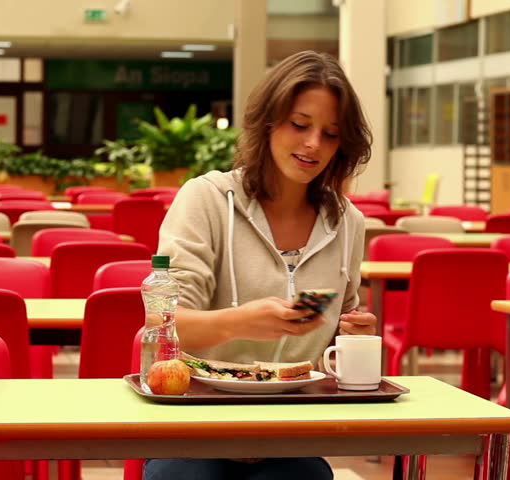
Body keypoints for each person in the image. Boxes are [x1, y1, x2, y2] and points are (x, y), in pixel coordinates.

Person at [146, 50, 378, 480]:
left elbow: (338, 339)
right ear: (268, 122)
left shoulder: (347, 222)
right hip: (195, 425)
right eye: (300, 124)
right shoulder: (207, 200)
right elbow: (163, 324)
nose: (314, 144)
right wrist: (238, 322)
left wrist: (355, 335)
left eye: (330, 134)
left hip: (291, 431)